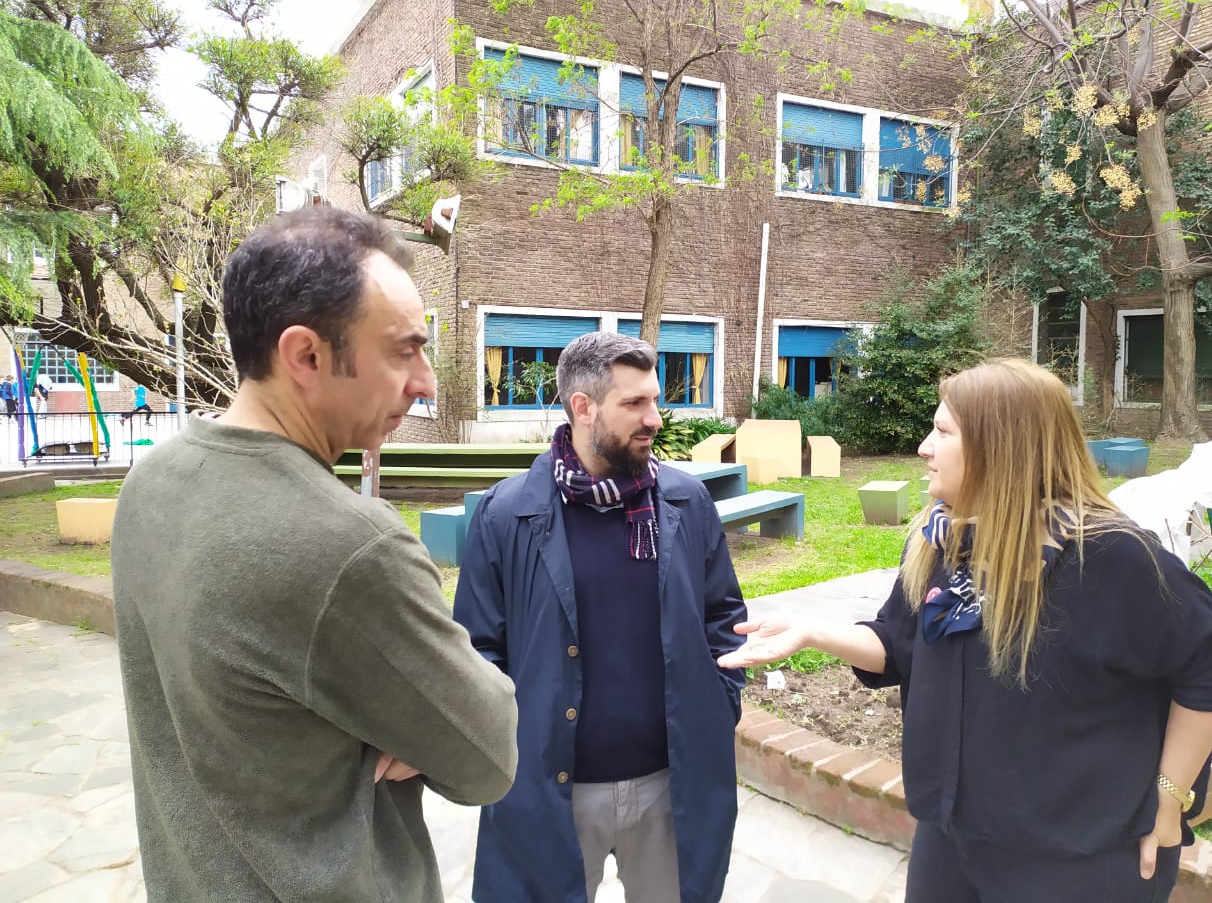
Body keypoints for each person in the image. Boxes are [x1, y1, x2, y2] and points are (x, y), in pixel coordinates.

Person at [719, 358, 1212, 903]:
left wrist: (1169, 796)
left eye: (942, 431)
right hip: (953, 839)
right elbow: (897, 645)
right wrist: (811, 632)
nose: (924, 447)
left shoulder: (1111, 557)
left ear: (1004, 447)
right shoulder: (940, 540)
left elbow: (1211, 672)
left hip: (1077, 856)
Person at [111, 206, 518, 903]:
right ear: (305, 356)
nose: (424, 382)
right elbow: (488, 756)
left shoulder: (152, 481)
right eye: (403, 350)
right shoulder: (351, 549)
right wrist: (412, 726)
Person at [453, 331, 747, 903]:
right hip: (549, 789)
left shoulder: (686, 503)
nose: (655, 418)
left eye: (655, 400)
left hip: (672, 784)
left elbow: (724, 616)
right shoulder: (508, 513)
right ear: (582, 408)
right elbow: (476, 650)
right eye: (634, 404)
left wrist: (721, 701)